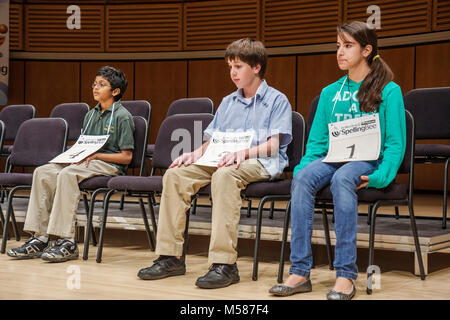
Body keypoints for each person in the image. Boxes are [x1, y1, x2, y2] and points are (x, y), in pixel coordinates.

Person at [138, 38, 292, 289]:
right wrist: (194, 153)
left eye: (239, 66)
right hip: (223, 158)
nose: (233, 72)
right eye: (230, 66)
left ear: (256, 67)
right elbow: (214, 140)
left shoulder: (277, 100)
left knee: (224, 176)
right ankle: (170, 257)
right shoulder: (228, 101)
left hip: (260, 161)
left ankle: (224, 264)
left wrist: (244, 153)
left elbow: (273, 145)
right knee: (175, 175)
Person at [269, 21, 406, 300]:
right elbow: (318, 142)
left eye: (348, 46)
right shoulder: (329, 93)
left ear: (367, 50)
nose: (340, 52)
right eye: (338, 46)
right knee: (303, 177)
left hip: (368, 160)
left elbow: (395, 144)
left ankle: (345, 275)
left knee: (344, 179)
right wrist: (303, 166)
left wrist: (382, 175)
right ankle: (300, 271)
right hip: (335, 157)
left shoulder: (389, 90)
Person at [7, 66, 135, 263]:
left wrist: (98, 156)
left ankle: (66, 241)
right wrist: (70, 155)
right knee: (43, 172)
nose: (95, 88)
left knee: (67, 175)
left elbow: (126, 157)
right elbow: (83, 145)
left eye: (102, 85)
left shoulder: (122, 116)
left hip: (108, 165)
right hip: (86, 161)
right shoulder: (90, 115)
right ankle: (39, 238)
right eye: (94, 83)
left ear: (115, 91)